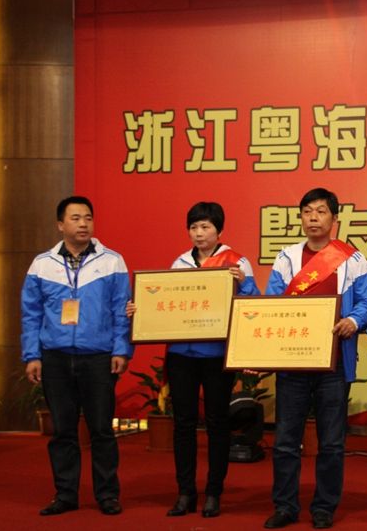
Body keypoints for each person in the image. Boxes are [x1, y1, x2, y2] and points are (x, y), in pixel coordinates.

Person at [128, 202, 260, 518]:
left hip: (216, 355)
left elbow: (252, 306)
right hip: (181, 355)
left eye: (205, 227)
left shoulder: (237, 261)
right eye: (193, 227)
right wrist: (140, 310)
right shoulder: (180, 262)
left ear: (219, 230)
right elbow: (166, 303)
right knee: (183, 424)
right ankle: (185, 492)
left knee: (217, 423)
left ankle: (214, 492)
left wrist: (245, 282)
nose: (199, 233)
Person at [262, 188, 367, 530]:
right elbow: (271, 305)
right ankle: (285, 506)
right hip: (292, 363)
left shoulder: (353, 259)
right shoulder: (286, 258)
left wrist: (353, 320)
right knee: (286, 440)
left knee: (331, 442)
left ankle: (324, 507)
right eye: (307, 211)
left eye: (321, 211)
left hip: (334, 363)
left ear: (334, 218)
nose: (313, 218)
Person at [21, 196, 132, 516]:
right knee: (63, 431)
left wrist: (121, 349)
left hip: (98, 356)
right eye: (75, 218)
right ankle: (65, 494)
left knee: (102, 430)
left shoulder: (112, 261)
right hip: (55, 356)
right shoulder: (42, 264)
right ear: (60, 225)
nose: (83, 224)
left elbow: (121, 309)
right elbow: (31, 314)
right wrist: (32, 355)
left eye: (88, 218)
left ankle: (107, 494)